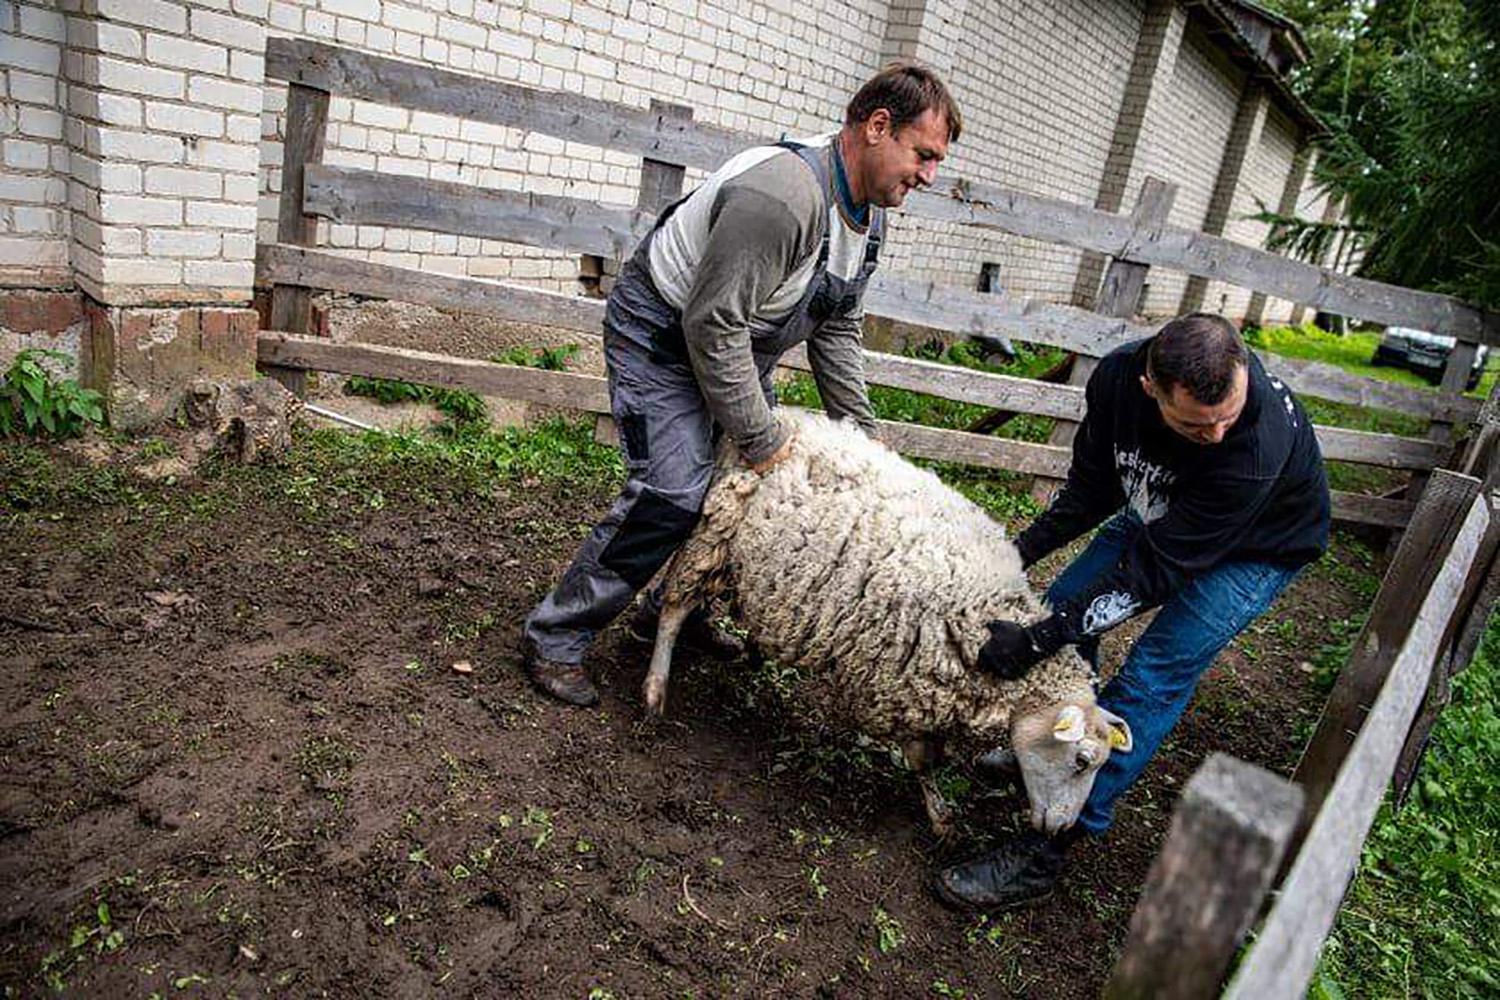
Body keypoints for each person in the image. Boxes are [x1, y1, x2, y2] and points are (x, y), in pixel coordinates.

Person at [521, 63, 963, 706]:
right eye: (923, 155)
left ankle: (671, 614)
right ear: (876, 128)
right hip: (666, 336)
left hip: (739, 341)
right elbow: (710, 324)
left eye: (936, 161)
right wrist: (761, 437)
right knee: (673, 490)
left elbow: (835, 325)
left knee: (734, 493)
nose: (928, 175)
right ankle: (556, 636)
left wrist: (865, 441)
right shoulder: (784, 198)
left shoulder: (867, 215)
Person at [935, 312, 1331, 910]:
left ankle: (1052, 846)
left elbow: (1157, 573)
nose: (1219, 433)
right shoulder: (1118, 380)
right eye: (1199, 426)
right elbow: (1092, 489)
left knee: (1151, 675)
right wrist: (1011, 557)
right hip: (1166, 509)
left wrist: (1037, 639)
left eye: (1227, 416)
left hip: (1256, 547)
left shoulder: (1254, 443)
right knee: (1065, 608)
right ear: (1152, 388)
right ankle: (1046, 746)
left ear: (1241, 368)